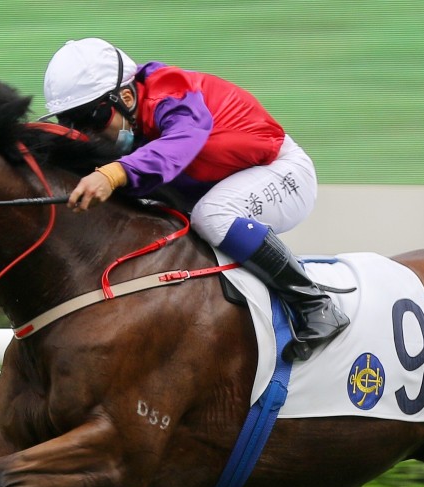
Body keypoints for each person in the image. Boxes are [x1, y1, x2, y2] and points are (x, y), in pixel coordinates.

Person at [42, 37, 348, 361]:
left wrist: (112, 174)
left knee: (211, 215)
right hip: (222, 182)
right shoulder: (128, 120)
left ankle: (315, 305)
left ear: (127, 97)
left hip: (281, 172)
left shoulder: (170, 92)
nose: (86, 133)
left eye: (93, 119)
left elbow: (180, 143)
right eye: (71, 122)